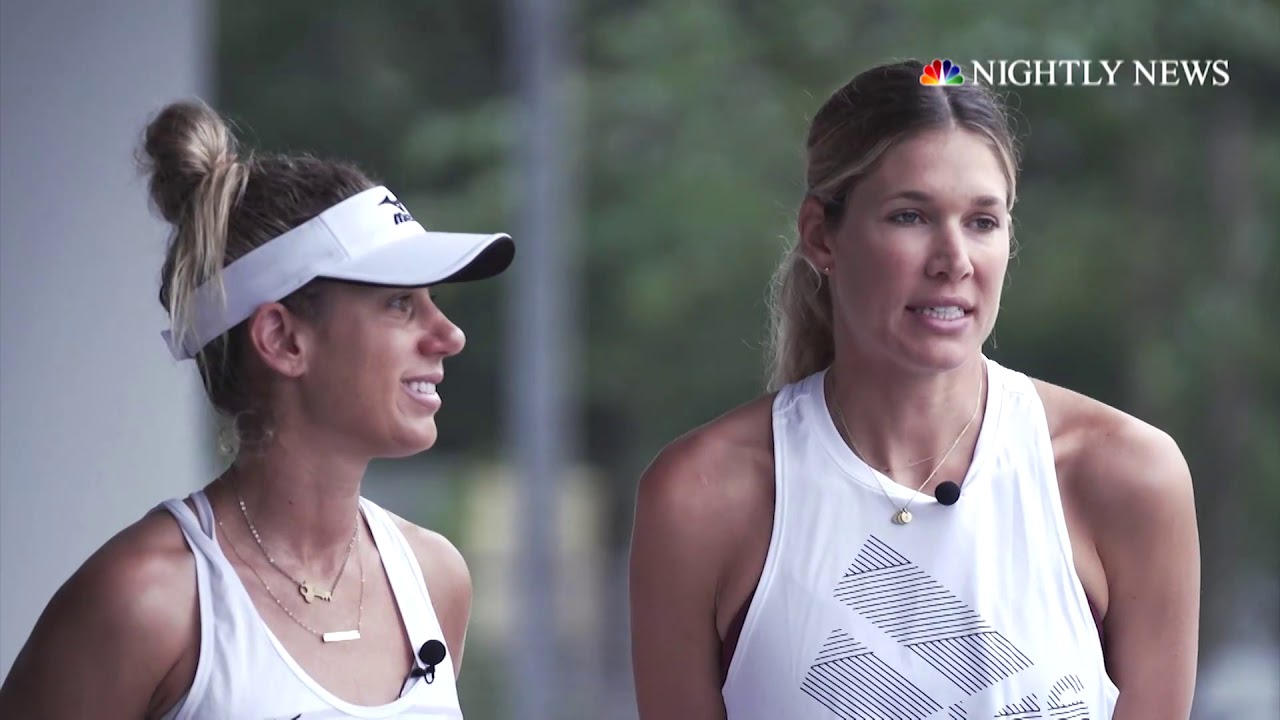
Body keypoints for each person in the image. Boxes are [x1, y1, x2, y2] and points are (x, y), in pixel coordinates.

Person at [629, 59, 1200, 719]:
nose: (954, 259)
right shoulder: (701, 496)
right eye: (910, 216)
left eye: (983, 222)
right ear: (821, 235)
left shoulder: (1125, 475)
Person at [0, 99, 514, 719]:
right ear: (282, 339)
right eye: (400, 303)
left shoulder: (435, 580)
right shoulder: (145, 601)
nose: (449, 335)